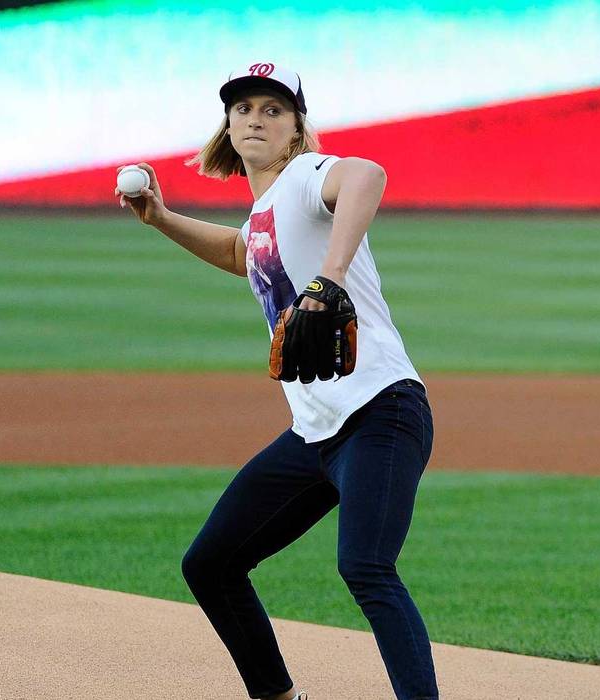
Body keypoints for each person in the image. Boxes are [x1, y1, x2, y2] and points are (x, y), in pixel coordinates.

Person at [116, 63, 438, 700]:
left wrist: (333, 275)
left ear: (296, 128)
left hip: (381, 411)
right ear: (228, 127)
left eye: (272, 109)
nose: (255, 119)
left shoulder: (306, 176)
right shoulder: (265, 208)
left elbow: (367, 175)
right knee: (210, 564)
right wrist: (159, 217)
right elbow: (243, 254)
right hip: (314, 432)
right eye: (243, 110)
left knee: (367, 568)